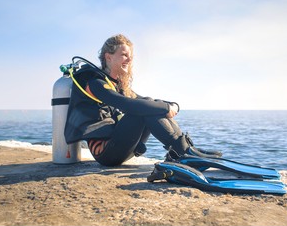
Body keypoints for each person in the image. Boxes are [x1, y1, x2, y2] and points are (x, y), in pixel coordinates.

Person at [64, 34, 220, 166]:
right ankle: (183, 153)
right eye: (124, 55)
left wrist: (171, 105)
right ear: (108, 57)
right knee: (142, 110)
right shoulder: (95, 83)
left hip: (121, 147)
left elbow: (143, 100)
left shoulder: (115, 84)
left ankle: (185, 149)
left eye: (130, 56)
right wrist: (166, 108)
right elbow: (126, 104)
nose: (129, 59)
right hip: (105, 153)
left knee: (148, 104)